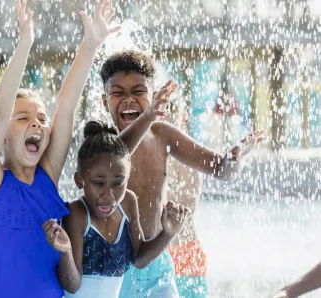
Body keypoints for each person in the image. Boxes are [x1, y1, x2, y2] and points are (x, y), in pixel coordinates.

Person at [0, 0, 120, 297]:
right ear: (1, 135)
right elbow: (1, 110)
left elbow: (65, 108)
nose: (38, 125)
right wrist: (24, 44)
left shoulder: (47, 177)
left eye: (41, 119)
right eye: (24, 118)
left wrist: (90, 45)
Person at [98, 50, 265, 297]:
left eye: (138, 92)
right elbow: (114, 160)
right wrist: (147, 118)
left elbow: (219, 169)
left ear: (153, 96)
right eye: (118, 93)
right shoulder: (98, 141)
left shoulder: (162, 135)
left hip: (157, 262)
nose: (129, 100)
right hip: (113, 266)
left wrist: (234, 159)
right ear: (104, 102)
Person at [41, 119, 191, 298]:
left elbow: (139, 260)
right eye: (98, 183)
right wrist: (66, 252)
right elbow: (73, 285)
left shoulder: (127, 201)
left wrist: (168, 234)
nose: (109, 194)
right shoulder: (78, 213)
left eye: (118, 183)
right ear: (80, 181)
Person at [166, 101, 208, 297]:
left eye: (172, 110)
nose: (167, 116)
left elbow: (187, 206)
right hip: (160, 252)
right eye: (164, 110)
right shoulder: (150, 151)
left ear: (182, 116)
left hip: (185, 252)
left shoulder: (190, 154)